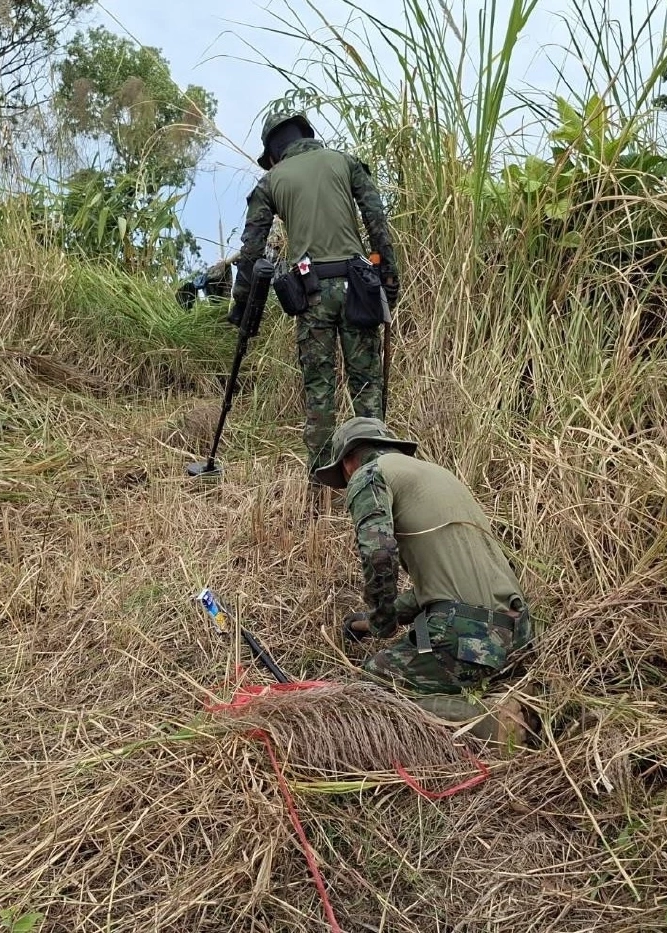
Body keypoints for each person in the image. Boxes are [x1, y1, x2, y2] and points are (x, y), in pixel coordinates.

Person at [314, 416, 538, 742]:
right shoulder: (436, 476)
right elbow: (442, 587)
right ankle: (530, 702)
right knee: (434, 662)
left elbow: (378, 555)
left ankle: (492, 723)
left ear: (348, 462)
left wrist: (382, 619)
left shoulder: (368, 475)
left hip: (468, 634)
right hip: (518, 633)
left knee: (367, 693)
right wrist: (368, 621)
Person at [228, 110, 400, 479]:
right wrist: (388, 276)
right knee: (367, 388)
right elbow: (376, 221)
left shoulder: (270, 181)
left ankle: (321, 486)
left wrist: (242, 306)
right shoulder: (345, 162)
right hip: (359, 288)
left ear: (274, 153)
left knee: (320, 393)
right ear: (305, 135)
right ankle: (377, 478)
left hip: (311, 293)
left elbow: (251, 250)